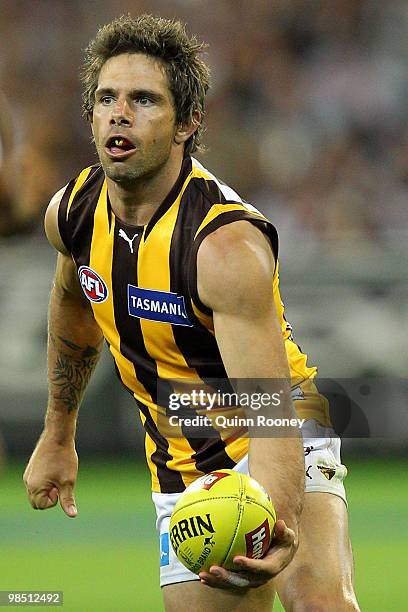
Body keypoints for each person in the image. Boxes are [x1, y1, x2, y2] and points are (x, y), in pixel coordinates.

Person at [23, 14, 359, 612]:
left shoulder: (223, 246)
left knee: (319, 604)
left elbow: (271, 408)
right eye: (107, 98)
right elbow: (74, 304)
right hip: (182, 462)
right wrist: (58, 432)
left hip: (278, 430)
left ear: (187, 122)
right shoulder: (72, 213)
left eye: (144, 99)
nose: (119, 113)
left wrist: (275, 524)